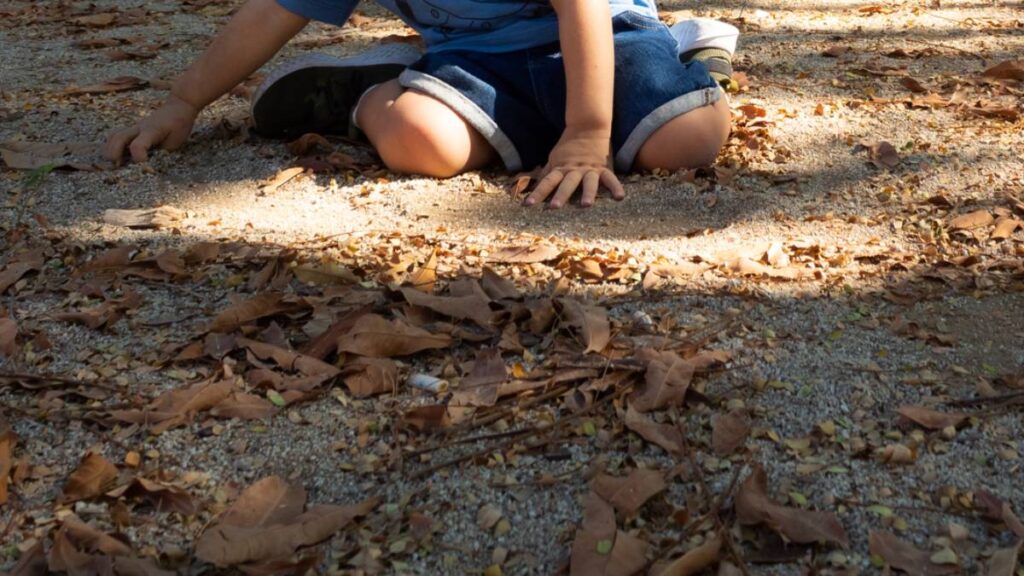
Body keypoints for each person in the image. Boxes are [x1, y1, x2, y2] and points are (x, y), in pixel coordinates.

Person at [104, 0, 738, 209]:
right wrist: (181, 102)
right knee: (419, 144)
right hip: (478, 59)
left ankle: (690, 50)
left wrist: (586, 133)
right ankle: (377, 88)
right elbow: (273, 11)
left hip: (607, 37)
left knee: (689, 142)